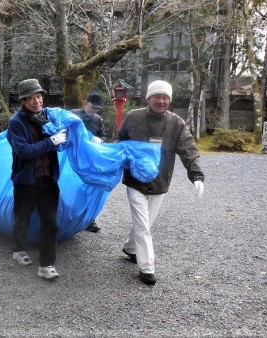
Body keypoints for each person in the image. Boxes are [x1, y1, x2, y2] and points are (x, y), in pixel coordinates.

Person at [117, 80, 205, 285]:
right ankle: (147, 268)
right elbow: (120, 140)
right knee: (142, 223)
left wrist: (197, 176)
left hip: (160, 181)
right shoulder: (133, 117)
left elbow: (189, 150)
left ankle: (130, 248)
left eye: (165, 97)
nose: (161, 101)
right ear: (148, 98)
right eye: (157, 96)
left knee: (145, 223)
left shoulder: (176, 124)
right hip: (135, 180)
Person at [6, 79, 67, 279]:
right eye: (31, 98)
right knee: (21, 219)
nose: (36, 101)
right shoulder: (16, 122)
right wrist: (50, 142)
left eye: (39, 96)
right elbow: (23, 151)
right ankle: (18, 249)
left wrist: (87, 139)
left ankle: (46, 265)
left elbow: (71, 126)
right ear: (23, 100)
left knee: (51, 222)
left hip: (48, 179)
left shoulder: (47, 117)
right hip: (26, 181)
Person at [71, 91, 106, 233]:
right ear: (86, 102)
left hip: (89, 160)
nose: (95, 111)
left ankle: (90, 220)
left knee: (90, 189)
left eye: (97, 109)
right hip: (71, 158)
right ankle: (67, 218)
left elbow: (102, 136)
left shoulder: (98, 120)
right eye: (93, 107)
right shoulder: (73, 114)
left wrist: (99, 141)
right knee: (71, 188)